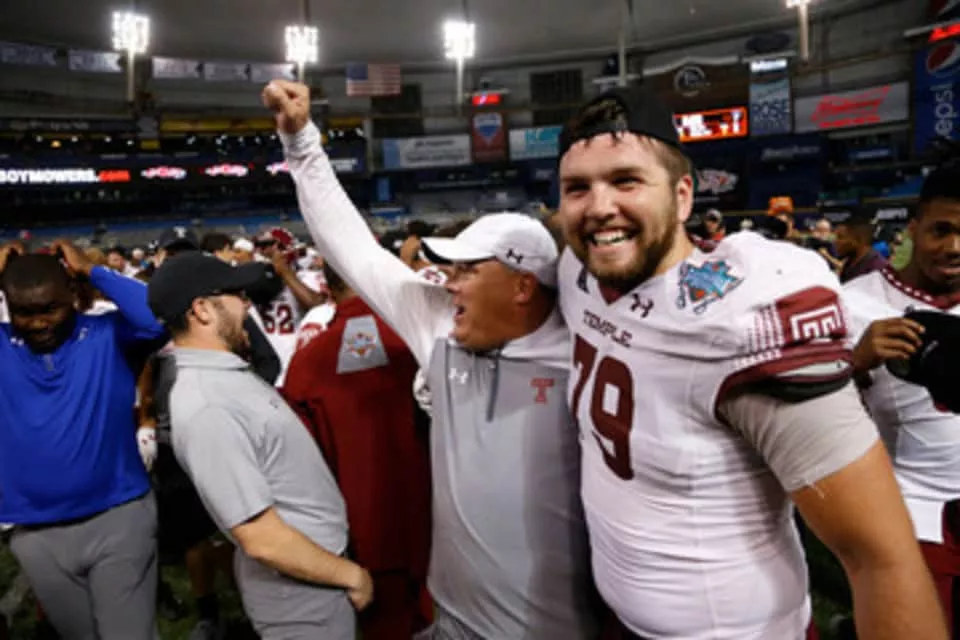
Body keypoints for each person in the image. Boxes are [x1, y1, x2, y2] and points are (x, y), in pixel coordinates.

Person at [553, 86, 946, 639]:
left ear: (683, 196)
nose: (598, 207)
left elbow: (880, 558)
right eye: (577, 188)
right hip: (623, 618)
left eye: (626, 181)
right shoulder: (577, 272)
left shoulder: (745, 316)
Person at [264, 79, 600, 639]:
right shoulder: (441, 326)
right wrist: (301, 144)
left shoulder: (589, 353)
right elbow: (353, 249)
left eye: (468, 269)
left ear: (522, 286)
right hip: (448, 621)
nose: (449, 281)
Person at [148, 252, 372, 640]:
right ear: (202, 310)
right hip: (300, 587)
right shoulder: (208, 405)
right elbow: (260, 537)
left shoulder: (222, 375)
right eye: (235, 295)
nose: (247, 304)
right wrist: (349, 575)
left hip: (307, 573)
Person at [0, 239, 167, 640]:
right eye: (24, 312)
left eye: (50, 308)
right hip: (35, 531)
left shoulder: (107, 336)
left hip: (118, 515)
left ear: (73, 295)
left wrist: (93, 271)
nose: (39, 322)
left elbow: (158, 317)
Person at [140, 229, 281, 640]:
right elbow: (141, 370)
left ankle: (254, 609)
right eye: (171, 255)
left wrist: (242, 402)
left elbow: (268, 362)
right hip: (172, 439)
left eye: (185, 255)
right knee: (192, 534)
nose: (177, 263)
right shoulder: (150, 313)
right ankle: (208, 613)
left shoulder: (224, 309)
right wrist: (146, 419)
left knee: (240, 526)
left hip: (224, 433)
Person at [284, 262, 433, 640]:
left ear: (328, 289)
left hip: (361, 532)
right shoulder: (421, 342)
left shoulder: (307, 362)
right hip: (437, 520)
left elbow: (300, 466)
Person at [843, 163, 960, 635]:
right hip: (914, 515)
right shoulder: (852, 304)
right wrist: (854, 361)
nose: (955, 247)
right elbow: (799, 414)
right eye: (941, 230)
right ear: (913, 226)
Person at [252, 227, 327, 384]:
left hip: (293, 355)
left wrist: (285, 273)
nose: (262, 251)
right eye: (258, 246)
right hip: (264, 358)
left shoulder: (306, 276)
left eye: (267, 246)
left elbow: (316, 305)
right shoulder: (252, 279)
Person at [834, 212, 888, 283]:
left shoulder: (877, 269)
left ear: (859, 240)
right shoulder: (850, 262)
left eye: (841, 237)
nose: (835, 242)